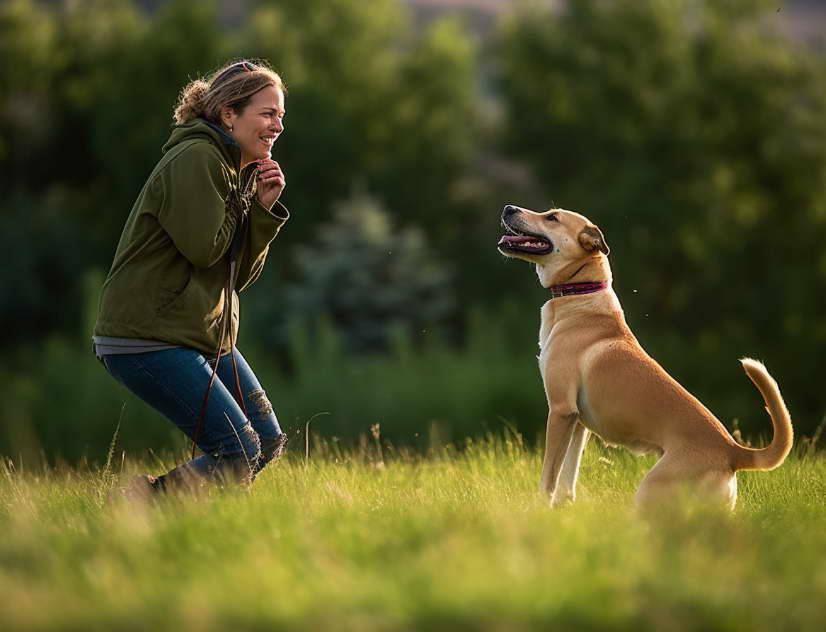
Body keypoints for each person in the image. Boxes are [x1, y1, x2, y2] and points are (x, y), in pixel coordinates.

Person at [94, 59, 289, 500]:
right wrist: (248, 209)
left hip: (197, 333)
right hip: (149, 335)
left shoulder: (231, 168)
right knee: (236, 451)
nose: (277, 125)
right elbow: (205, 252)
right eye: (267, 113)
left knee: (266, 440)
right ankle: (140, 506)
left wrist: (261, 211)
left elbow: (236, 277)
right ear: (228, 115)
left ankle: (182, 521)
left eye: (281, 116)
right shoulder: (198, 158)